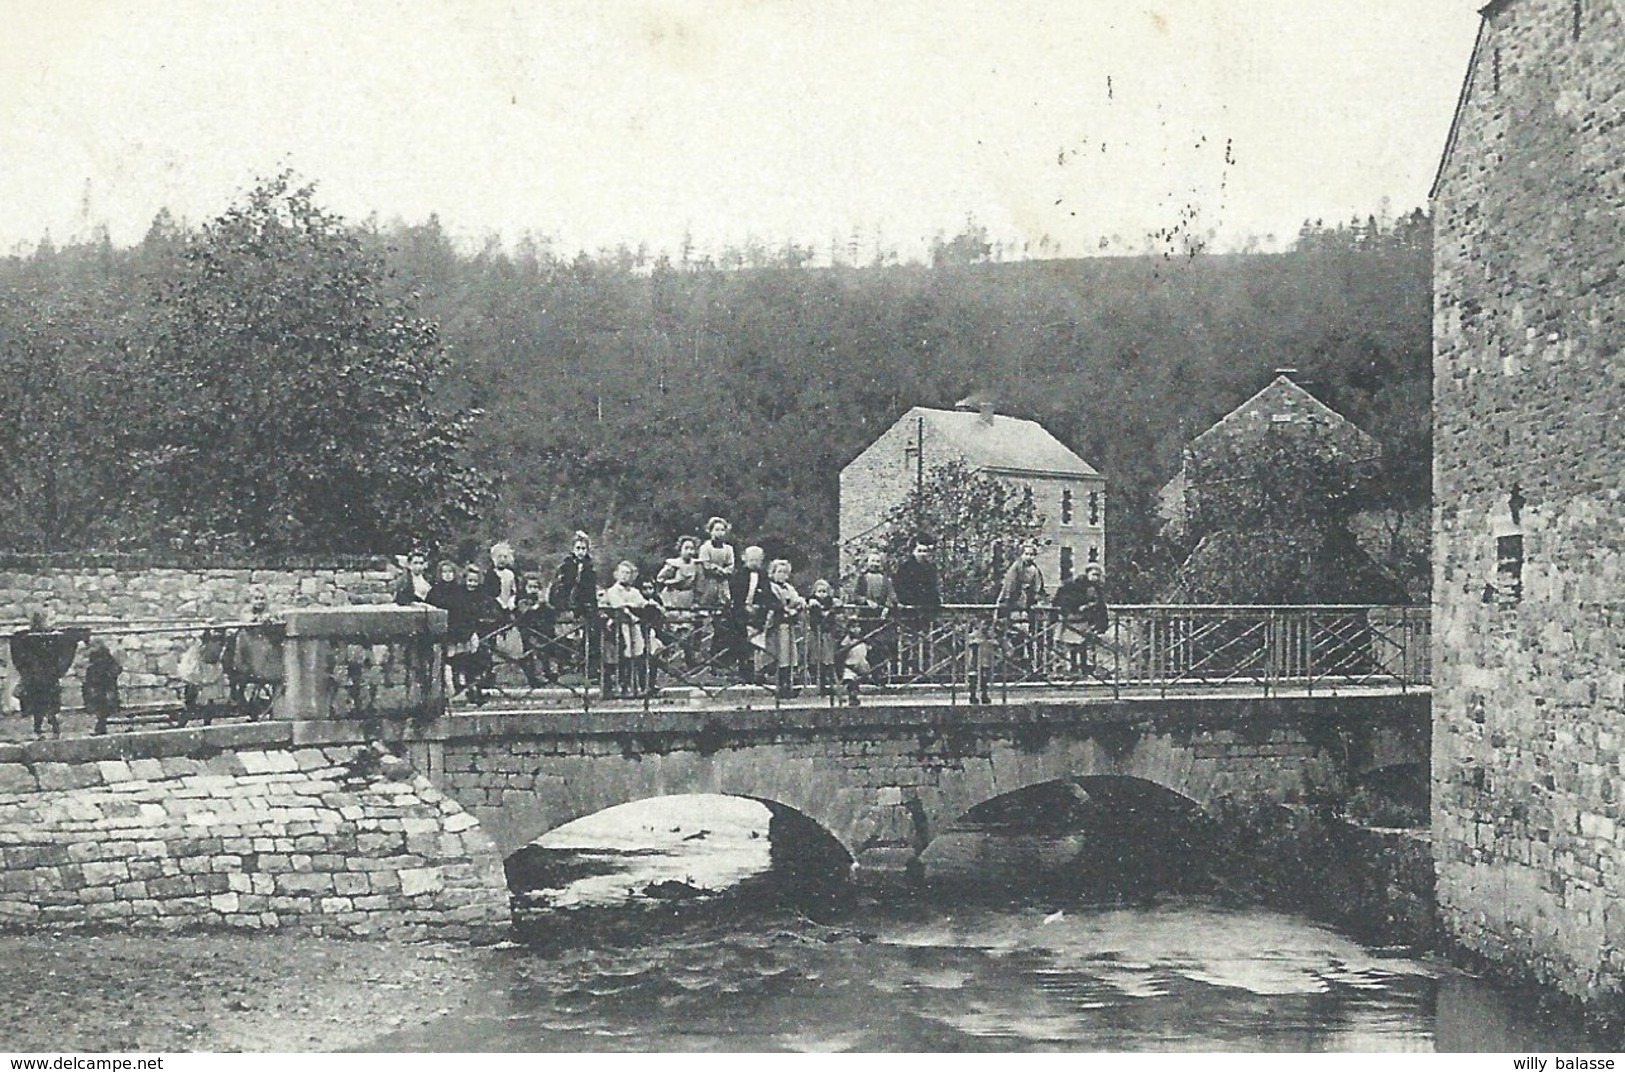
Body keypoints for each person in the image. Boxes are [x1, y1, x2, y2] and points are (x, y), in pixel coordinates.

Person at [9, 608, 90, 739]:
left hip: (48, 676)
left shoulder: (53, 637)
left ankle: (53, 728)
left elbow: (68, 639)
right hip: (37, 677)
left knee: (50, 705)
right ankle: (40, 729)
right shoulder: (27, 638)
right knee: (39, 706)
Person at [599, 561, 654, 699]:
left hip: (634, 627)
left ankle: (640, 686)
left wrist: (653, 606)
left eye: (628, 573)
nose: (625, 576)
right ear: (616, 574)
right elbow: (620, 607)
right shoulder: (612, 591)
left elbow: (643, 603)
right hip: (619, 628)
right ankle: (623, 687)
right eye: (622, 572)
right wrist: (632, 611)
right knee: (623, 656)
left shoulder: (634, 591)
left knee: (639, 654)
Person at [892, 535, 944, 681]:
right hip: (909, 611)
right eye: (920, 551)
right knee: (908, 642)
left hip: (926, 611)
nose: (923, 554)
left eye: (926, 551)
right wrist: (909, 602)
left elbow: (933, 589)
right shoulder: (905, 566)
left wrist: (935, 604)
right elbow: (899, 587)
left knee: (927, 642)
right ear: (913, 551)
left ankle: (925, 674)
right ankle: (904, 675)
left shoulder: (930, 568)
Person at [996, 539, 1048, 676]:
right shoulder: (1016, 568)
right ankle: (1015, 668)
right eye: (1026, 554)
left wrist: (1038, 600)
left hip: (1029, 608)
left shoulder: (1035, 570)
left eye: (1032, 554)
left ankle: (1032, 667)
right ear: (1021, 554)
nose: (1029, 557)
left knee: (1031, 637)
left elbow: (1039, 589)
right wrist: (1006, 606)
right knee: (1015, 636)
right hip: (1015, 607)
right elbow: (1009, 588)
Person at [1053, 562, 1110, 677]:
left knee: (1083, 645)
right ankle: (1072, 668)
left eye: (1098, 575)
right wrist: (1076, 607)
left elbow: (1100, 606)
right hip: (1073, 619)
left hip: (1085, 620)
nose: (1096, 578)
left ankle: (1084, 669)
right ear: (1087, 573)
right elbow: (1064, 599)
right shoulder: (1075, 584)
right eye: (1094, 574)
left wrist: (1101, 623)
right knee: (1073, 645)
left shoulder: (1096, 588)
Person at [763, 559, 806, 699]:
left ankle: (788, 685)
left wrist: (799, 605)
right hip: (776, 625)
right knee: (780, 655)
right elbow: (775, 603)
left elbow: (797, 600)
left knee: (789, 655)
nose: (782, 575)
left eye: (784, 572)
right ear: (773, 573)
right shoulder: (771, 586)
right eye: (779, 572)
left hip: (789, 625)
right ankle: (779, 685)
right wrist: (786, 609)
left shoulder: (789, 588)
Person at [729, 545, 769, 683]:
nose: (754, 562)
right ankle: (743, 673)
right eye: (751, 559)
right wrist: (745, 607)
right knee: (742, 644)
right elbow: (736, 593)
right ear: (744, 559)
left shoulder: (763, 576)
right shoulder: (739, 574)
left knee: (758, 645)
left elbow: (767, 593)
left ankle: (758, 672)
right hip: (741, 613)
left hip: (758, 614)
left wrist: (760, 606)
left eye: (757, 560)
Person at [805, 578, 841, 698]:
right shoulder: (812, 602)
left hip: (827, 634)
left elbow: (835, 612)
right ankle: (820, 684)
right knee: (816, 659)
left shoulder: (830, 602)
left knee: (828, 660)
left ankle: (829, 685)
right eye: (819, 591)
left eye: (824, 591)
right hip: (815, 634)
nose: (822, 594)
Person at [81, 640, 122, 736]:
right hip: (99, 689)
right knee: (100, 709)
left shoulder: (106, 661)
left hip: (104, 688)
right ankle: (100, 726)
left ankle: (100, 727)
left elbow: (114, 672)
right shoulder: (95, 665)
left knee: (102, 709)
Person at [695, 517, 735, 609]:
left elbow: (730, 564)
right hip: (709, 581)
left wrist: (725, 571)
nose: (720, 532)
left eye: (722, 530)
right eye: (716, 530)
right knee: (707, 604)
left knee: (724, 604)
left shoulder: (728, 549)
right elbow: (705, 564)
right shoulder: (705, 547)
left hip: (723, 581)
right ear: (710, 531)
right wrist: (717, 569)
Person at [656, 536, 702, 610]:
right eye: (686, 548)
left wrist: (696, 600)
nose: (689, 551)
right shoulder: (673, 564)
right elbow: (660, 579)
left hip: (688, 596)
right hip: (673, 595)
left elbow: (699, 584)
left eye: (692, 549)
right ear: (680, 550)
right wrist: (672, 582)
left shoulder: (696, 565)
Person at [838, 619, 873, 708]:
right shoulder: (846, 640)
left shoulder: (864, 640)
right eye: (853, 627)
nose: (856, 630)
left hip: (862, 665)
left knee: (860, 681)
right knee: (850, 681)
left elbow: (870, 649)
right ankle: (852, 696)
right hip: (850, 665)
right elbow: (842, 651)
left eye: (858, 627)